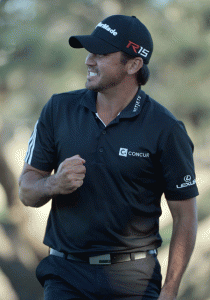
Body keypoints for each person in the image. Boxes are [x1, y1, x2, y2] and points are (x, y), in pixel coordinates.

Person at [19, 15, 198, 300]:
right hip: (65, 277)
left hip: (134, 282)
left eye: (101, 54)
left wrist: (170, 291)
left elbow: (185, 216)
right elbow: (27, 191)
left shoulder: (166, 129)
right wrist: (54, 184)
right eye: (89, 52)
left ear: (133, 65)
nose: (89, 60)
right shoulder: (58, 109)